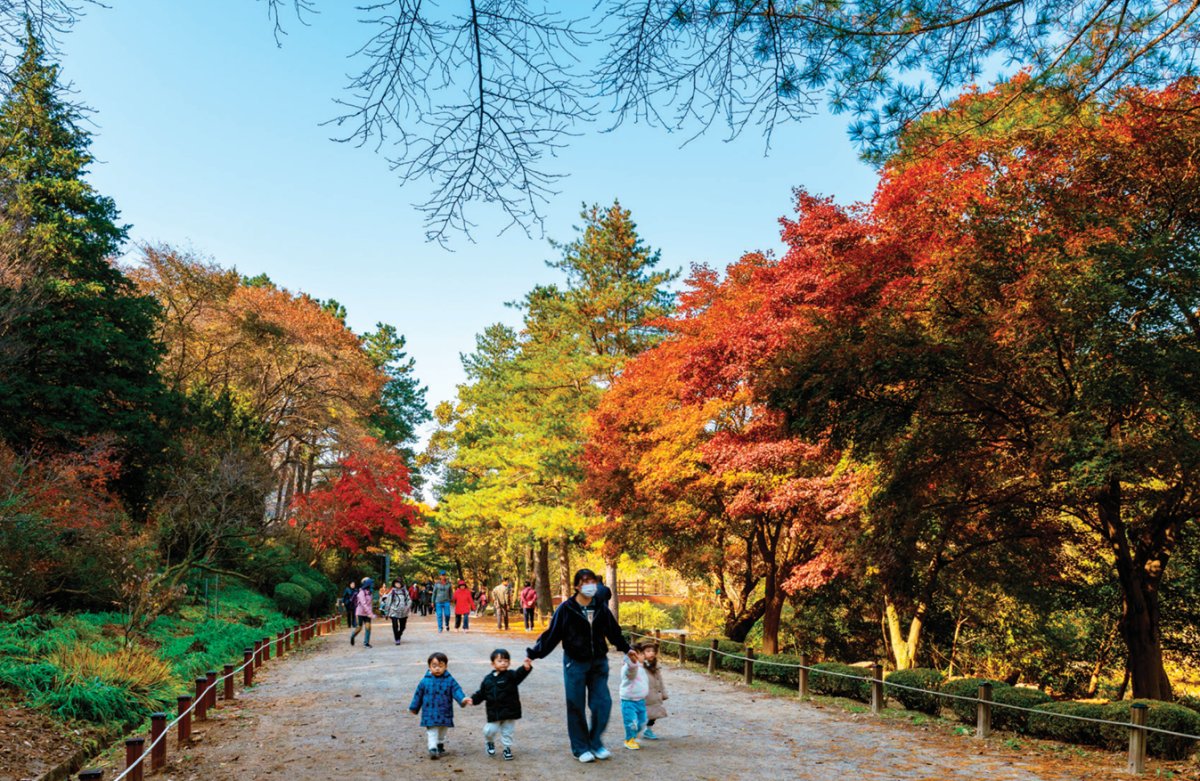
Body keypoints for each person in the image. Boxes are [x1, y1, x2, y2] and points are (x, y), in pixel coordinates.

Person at [525, 567, 635, 763]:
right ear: (577, 586)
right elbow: (552, 635)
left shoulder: (600, 607)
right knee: (576, 705)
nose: (590, 585)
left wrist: (626, 649)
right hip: (575, 663)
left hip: (599, 662)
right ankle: (580, 748)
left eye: (592, 581)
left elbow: (613, 631)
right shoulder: (566, 609)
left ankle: (595, 743)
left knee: (603, 704)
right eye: (585, 582)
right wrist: (534, 654)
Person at [467, 648, 533, 761]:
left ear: (509, 663)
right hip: (494, 712)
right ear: (493, 664)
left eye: (506, 661)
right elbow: (482, 693)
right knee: (489, 730)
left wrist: (525, 668)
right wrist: (473, 699)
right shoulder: (488, 679)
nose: (503, 663)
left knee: (508, 732)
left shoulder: (511, 676)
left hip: (509, 711)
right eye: (500, 661)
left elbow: (519, 674)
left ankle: (507, 748)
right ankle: (489, 742)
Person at [409, 651, 471, 760]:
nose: (437, 668)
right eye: (434, 666)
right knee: (432, 731)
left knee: (442, 730)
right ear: (429, 667)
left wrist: (462, 699)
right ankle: (432, 748)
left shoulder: (450, 680)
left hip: (445, 711)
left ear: (446, 667)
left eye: (441, 666)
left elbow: (457, 690)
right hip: (429, 712)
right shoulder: (424, 681)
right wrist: (414, 707)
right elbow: (418, 695)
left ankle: (440, 744)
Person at [620, 643, 650, 750]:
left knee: (643, 722)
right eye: (640, 654)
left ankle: (633, 735)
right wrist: (631, 663)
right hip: (629, 701)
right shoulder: (629, 668)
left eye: (642, 653)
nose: (642, 655)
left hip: (640, 700)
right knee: (631, 722)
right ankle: (629, 740)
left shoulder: (642, 667)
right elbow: (631, 673)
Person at [642, 640, 668, 740]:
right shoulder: (639, 666)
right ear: (642, 653)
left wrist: (663, 692)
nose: (651, 653)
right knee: (641, 713)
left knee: (654, 713)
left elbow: (659, 680)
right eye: (648, 651)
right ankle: (634, 731)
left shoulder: (656, 665)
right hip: (643, 694)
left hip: (654, 694)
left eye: (653, 651)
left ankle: (648, 730)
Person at [381, 577, 411, 645]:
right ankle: (397, 639)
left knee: (403, 626)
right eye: (396, 583)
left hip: (403, 611)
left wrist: (407, 607)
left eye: (399, 583)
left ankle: (398, 634)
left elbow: (409, 600)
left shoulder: (405, 591)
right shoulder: (392, 591)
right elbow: (388, 602)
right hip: (393, 610)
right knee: (395, 625)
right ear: (394, 584)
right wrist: (386, 612)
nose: (398, 584)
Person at [350, 577, 375, 647]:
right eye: (371, 583)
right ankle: (352, 636)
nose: (372, 584)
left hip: (367, 613)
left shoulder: (370, 592)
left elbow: (370, 604)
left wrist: (370, 612)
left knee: (368, 627)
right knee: (359, 628)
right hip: (360, 613)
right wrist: (370, 613)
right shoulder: (361, 592)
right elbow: (364, 604)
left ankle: (366, 643)